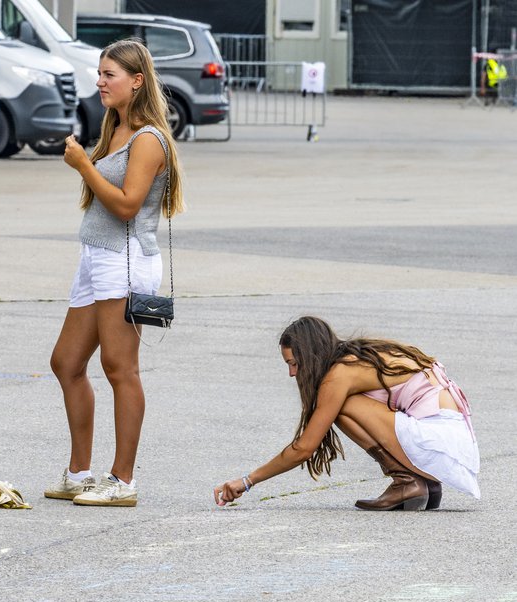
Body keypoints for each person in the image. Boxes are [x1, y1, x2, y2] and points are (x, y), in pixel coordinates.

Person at [45, 38, 184, 507]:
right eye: (100, 73)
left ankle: (122, 480)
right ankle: (80, 473)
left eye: (110, 75)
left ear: (137, 81)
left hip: (126, 259)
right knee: (66, 362)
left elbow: (126, 207)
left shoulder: (148, 139)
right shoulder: (117, 128)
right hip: (97, 256)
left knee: (119, 368)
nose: (100, 82)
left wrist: (84, 164)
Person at [214, 316, 480, 511]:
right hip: (449, 443)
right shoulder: (359, 356)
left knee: (342, 406)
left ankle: (407, 480)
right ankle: (421, 481)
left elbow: (305, 447)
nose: (292, 373)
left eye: (294, 363)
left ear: (311, 355)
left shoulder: (340, 374)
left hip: (439, 443)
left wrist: (248, 481)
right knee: (343, 403)